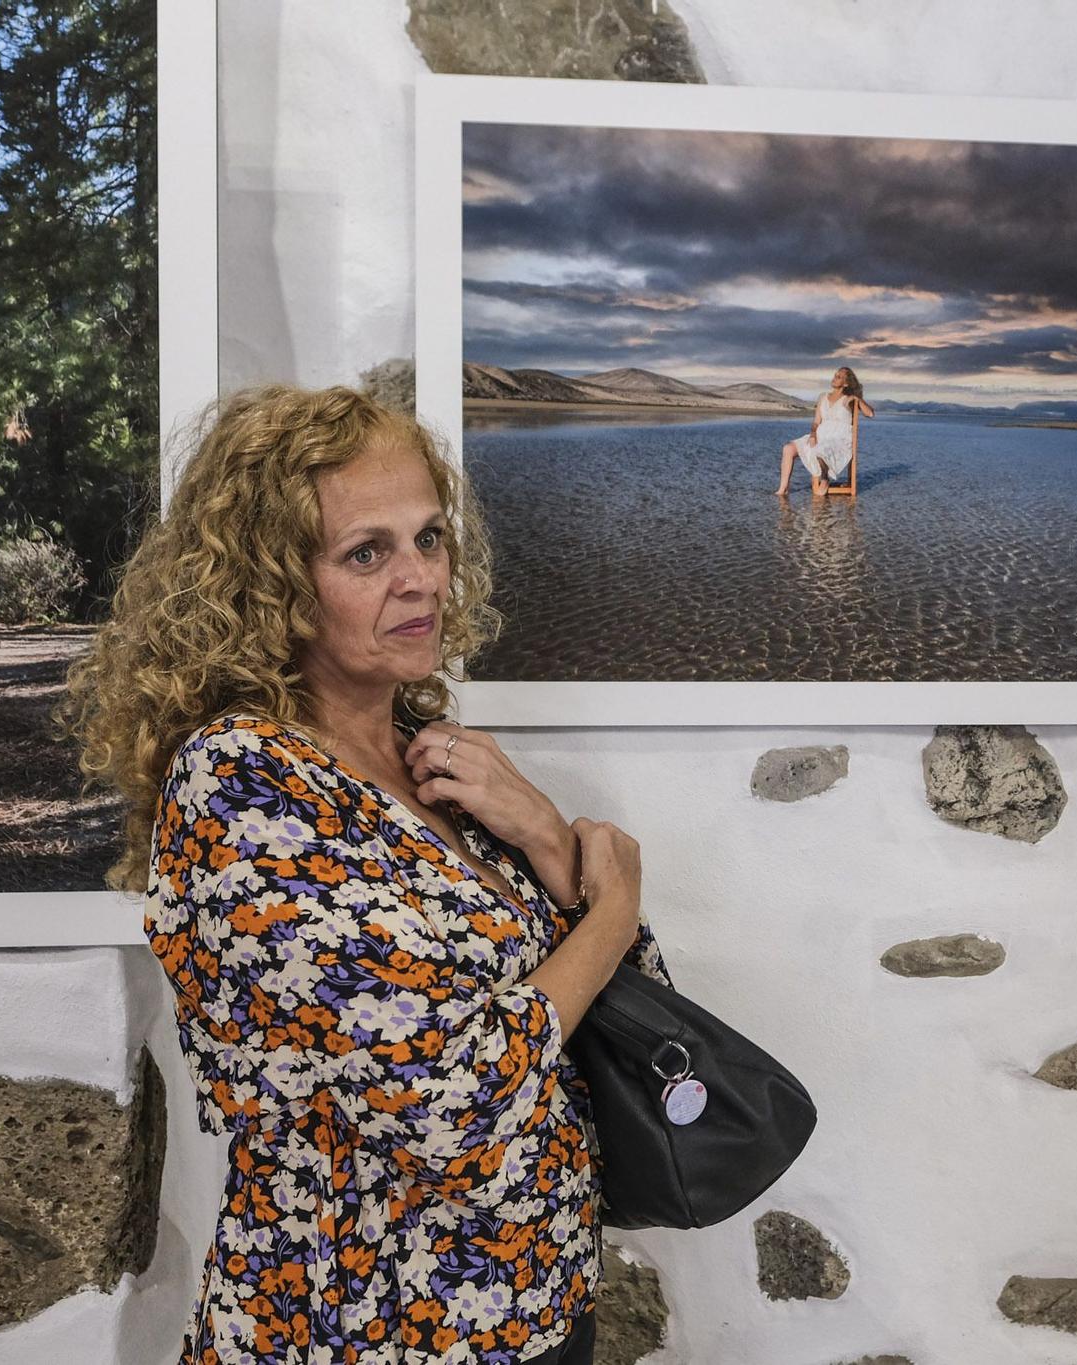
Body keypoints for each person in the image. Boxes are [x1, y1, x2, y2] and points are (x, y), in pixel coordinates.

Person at [61, 385, 669, 1364]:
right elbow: (453, 1103)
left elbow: (638, 1028)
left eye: (428, 538)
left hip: (538, 1306)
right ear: (269, 586)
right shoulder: (244, 784)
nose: (421, 578)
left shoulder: (432, 755)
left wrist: (551, 844)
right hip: (367, 1329)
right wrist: (613, 909)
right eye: (367, 552)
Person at [775, 366, 876, 497]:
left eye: (839, 377)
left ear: (845, 383)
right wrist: (812, 435)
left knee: (820, 449)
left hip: (839, 440)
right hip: (820, 435)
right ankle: (783, 489)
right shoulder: (823, 397)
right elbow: (816, 422)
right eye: (835, 375)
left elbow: (870, 414)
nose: (834, 378)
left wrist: (858, 398)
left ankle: (824, 478)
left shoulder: (848, 399)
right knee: (788, 448)